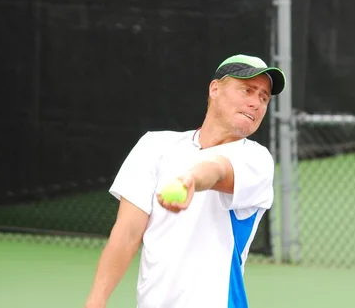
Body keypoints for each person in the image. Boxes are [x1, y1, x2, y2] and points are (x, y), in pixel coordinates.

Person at [84, 54, 286, 308]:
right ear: (215, 89)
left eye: (263, 98)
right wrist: (96, 300)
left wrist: (191, 178)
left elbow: (218, 170)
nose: (256, 103)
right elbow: (127, 233)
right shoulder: (154, 146)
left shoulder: (257, 159)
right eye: (247, 90)